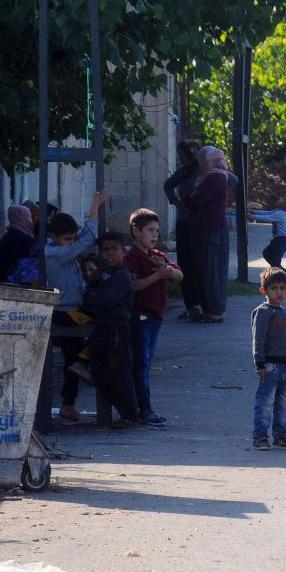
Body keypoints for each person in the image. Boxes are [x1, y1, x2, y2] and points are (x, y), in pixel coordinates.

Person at [46, 189, 108, 424]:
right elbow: (87, 238)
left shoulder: (65, 252)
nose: (71, 243)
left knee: (71, 361)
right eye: (67, 239)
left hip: (71, 308)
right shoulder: (54, 253)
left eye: (72, 238)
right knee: (102, 323)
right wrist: (94, 209)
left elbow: (80, 241)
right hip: (65, 311)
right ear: (54, 237)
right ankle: (84, 362)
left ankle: (68, 404)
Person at [125, 208, 183, 427]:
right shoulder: (132, 257)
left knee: (146, 362)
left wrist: (168, 270)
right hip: (140, 316)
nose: (155, 235)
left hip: (155, 317)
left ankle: (140, 407)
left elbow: (179, 275)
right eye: (150, 230)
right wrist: (158, 275)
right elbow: (134, 285)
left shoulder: (158, 256)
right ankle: (143, 409)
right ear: (135, 231)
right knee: (140, 363)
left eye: (157, 230)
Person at [82, 233, 140, 428]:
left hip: (116, 329)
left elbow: (103, 302)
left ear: (123, 252)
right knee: (99, 369)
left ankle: (129, 414)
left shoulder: (122, 276)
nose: (109, 254)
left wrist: (95, 298)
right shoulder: (104, 275)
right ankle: (124, 411)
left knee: (118, 371)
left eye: (114, 249)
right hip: (102, 327)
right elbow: (90, 299)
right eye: (105, 250)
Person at [184, 146, 233, 323]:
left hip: (211, 229)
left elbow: (194, 200)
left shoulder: (215, 176)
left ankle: (214, 310)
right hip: (207, 228)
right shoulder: (214, 176)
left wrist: (192, 194)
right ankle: (210, 309)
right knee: (206, 268)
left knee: (211, 269)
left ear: (207, 161)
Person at [251, 267, 286, 451]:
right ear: (264, 291)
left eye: (282, 288)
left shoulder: (283, 312)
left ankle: (280, 435)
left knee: (283, 403)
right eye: (274, 288)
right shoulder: (263, 311)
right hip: (269, 365)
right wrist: (259, 362)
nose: (278, 292)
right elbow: (258, 338)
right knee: (265, 402)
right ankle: (260, 436)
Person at [165, 139, 203, 319]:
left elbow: (229, 181)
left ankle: (202, 302)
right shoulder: (183, 173)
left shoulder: (205, 171)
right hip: (184, 221)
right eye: (180, 155)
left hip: (200, 223)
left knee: (199, 264)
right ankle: (190, 304)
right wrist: (175, 202)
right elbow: (168, 185)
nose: (182, 159)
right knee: (185, 264)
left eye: (184, 155)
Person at [0, 204, 37, 284]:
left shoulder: (9, 236)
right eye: (29, 217)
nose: (30, 221)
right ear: (23, 218)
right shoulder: (23, 239)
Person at [251, 199, 286, 270]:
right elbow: (267, 213)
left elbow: (267, 217)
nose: (280, 199)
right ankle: (279, 269)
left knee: (275, 261)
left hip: (281, 241)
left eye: (283, 199)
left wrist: (252, 216)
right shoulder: (278, 211)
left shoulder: (280, 214)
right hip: (278, 240)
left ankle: (278, 275)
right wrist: (254, 212)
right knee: (266, 254)